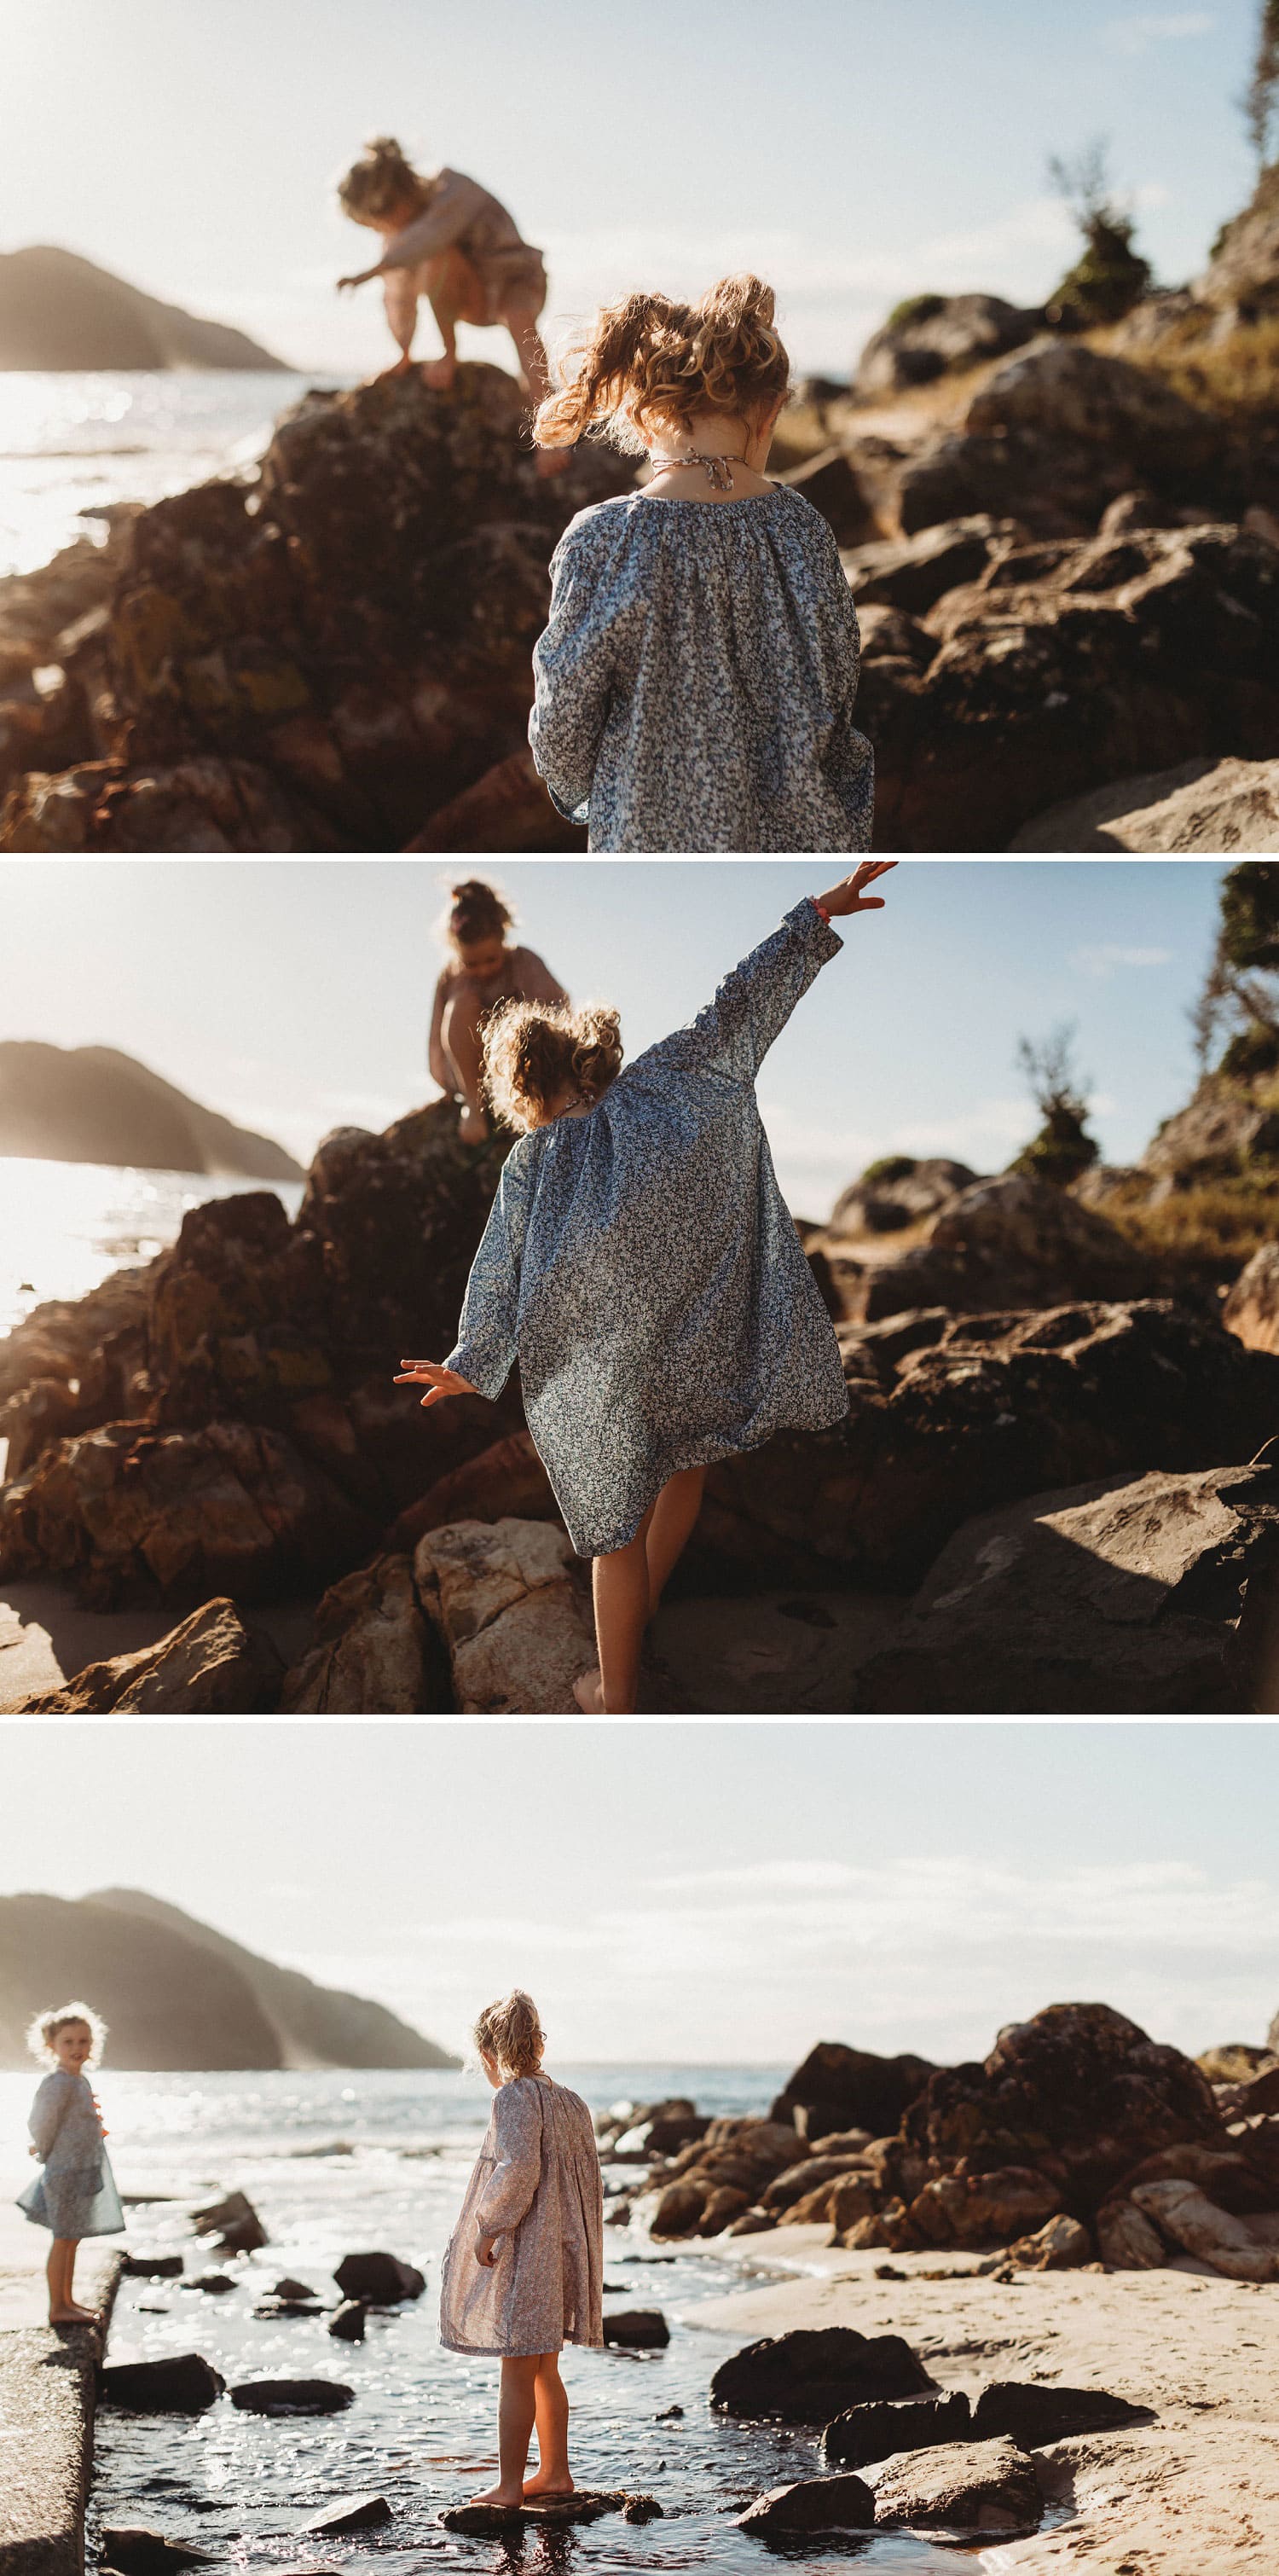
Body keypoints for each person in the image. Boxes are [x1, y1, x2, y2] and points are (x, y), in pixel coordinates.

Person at [396, 863, 895, 1712]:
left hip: (598, 1367)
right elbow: (739, 1002)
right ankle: (644, 1614)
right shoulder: (667, 1081)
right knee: (688, 1462)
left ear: (522, 1088)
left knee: (612, 1531)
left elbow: (499, 1269)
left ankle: (613, 1691)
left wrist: (471, 1362)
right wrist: (813, 918)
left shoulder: (531, 1159)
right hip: (691, 1340)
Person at [526, 273, 875, 850]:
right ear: (768, 409)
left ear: (641, 414)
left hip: (648, 836)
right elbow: (837, 686)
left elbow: (562, 720)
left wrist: (591, 794)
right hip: (799, 836)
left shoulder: (603, 540)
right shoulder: (802, 528)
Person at [440, 1991, 602, 2508]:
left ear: (491, 2053)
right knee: (545, 2367)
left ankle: (510, 2485)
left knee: (515, 2367)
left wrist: (489, 2225)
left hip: (530, 2251)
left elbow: (518, 2168)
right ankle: (555, 2473)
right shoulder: (571, 2101)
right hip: (564, 2247)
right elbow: (586, 2182)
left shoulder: (513, 2097)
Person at [335, 136, 569, 476]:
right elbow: (399, 294)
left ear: (394, 198)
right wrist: (404, 351)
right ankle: (449, 354)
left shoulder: (454, 188)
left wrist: (372, 270)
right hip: (473, 296)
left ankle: (551, 434)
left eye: (379, 222)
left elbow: (435, 232)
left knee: (519, 322)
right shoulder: (406, 239)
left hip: (517, 281)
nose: (385, 232)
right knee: (432, 260)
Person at [430, 880, 568, 1144]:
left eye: (491, 959)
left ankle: (539, 1104)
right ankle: (474, 1108)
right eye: (471, 963)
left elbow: (558, 1017)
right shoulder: (451, 978)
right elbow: (437, 1040)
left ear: (503, 937)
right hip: (471, 1075)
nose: (482, 970)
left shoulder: (524, 963)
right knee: (462, 1004)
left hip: (526, 1067)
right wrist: (448, 1085)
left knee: (533, 1020)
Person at [17, 2003, 123, 2324]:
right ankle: (57, 2307)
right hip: (64, 2172)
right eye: (68, 2042)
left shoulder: (81, 2081)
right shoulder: (58, 2082)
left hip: (82, 2172)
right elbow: (41, 2122)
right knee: (63, 2238)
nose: (77, 2048)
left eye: (84, 2041)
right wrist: (46, 2152)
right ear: (51, 2046)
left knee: (72, 2237)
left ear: (93, 2044)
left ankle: (68, 2300)